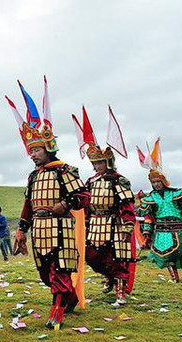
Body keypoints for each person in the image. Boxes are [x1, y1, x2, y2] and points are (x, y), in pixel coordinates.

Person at [6, 78, 90, 329]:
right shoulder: (33, 176)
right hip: (40, 229)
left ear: (48, 148)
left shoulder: (64, 170)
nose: (32, 154)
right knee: (46, 272)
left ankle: (57, 311)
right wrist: (22, 229)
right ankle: (68, 299)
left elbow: (83, 196)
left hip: (61, 227)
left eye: (36, 150)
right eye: (30, 151)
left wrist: (65, 204)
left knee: (60, 269)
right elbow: (28, 205)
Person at [73, 106, 136, 306]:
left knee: (117, 258)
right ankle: (108, 277)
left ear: (107, 162)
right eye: (95, 163)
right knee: (92, 256)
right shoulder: (90, 181)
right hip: (96, 224)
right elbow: (86, 204)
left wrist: (127, 225)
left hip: (115, 223)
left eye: (100, 163)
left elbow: (126, 203)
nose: (97, 166)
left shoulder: (119, 180)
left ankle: (121, 294)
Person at [137, 139, 182, 282]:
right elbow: (149, 216)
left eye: (158, 182)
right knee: (166, 254)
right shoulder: (151, 198)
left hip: (178, 226)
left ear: (163, 181)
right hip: (161, 228)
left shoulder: (175, 193)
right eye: (153, 182)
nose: (156, 184)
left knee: (181, 251)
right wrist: (147, 231)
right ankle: (174, 277)